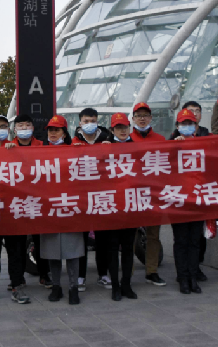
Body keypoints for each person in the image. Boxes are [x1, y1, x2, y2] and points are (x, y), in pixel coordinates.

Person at [0, 114, 30, 305]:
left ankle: (17, 286)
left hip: (13, 209)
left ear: (8, 130)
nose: (0, 129)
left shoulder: (16, 149)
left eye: (3, 126)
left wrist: (14, 152)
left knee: (15, 250)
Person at [70, 108, 114, 291]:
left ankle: (103, 274)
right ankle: (80, 276)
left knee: (103, 238)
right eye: (86, 121)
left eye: (93, 120)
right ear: (80, 122)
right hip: (81, 196)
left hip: (102, 194)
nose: (90, 124)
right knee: (81, 239)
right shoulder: (73, 141)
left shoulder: (108, 139)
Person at [41, 115, 83, 305]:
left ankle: (73, 287)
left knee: (72, 250)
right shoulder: (39, 152)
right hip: (49, 207)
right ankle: (56, 286)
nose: (53, 133)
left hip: (70, 206)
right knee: (53, 251)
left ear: (64, 133)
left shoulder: (74, 150)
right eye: (50, 130)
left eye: (57, 130)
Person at [7, 114, 50, 290]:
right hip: (17, 201)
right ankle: (16, 278)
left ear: (33, 127)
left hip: (39, 200)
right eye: (21, 126)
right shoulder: (9, 148)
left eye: (27, 125)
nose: (24, 129)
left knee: (41, 242)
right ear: (15, 129)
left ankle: (44, 275)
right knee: (16, 244)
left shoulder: (42, 146)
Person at [129, 102, 166, 287]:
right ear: (133, 119)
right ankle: (128, 271)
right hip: (131, 195)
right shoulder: (125, 140)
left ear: (151, 118)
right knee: (130, 236)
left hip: (153, 194)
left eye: (145, 115)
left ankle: (152, 271)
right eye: (138, 115)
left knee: (153, 235)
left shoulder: (160, 140)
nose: (142, 118)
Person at [170, 109, 205, 295]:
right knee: (181, 241)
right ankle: (182, 278)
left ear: (196, 126)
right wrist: (173, 148)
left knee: (194, 241)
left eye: (190, 123)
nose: (187, 127)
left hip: (198, 200)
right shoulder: (170, 146)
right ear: (177, 127)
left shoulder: (204, 145)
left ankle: (193, 276)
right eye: (183, 124)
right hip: (179, 201)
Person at [107, 113, 138, 301]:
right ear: (112, 130)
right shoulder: (104, 149)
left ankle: (127, 284)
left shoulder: (137, 148)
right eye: (118, 128)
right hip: (111, 205)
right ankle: (115, 286)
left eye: (125, 127)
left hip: (131, 205)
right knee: (112, 249)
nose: (122, 131)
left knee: (128, 249)